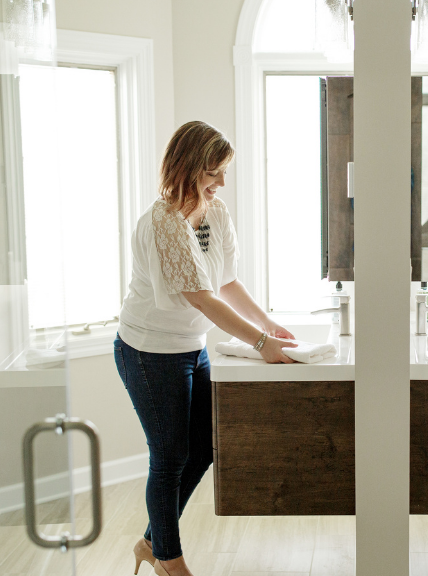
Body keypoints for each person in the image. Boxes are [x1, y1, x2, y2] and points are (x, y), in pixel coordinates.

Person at [114, 121, 297, 576]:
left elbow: (227, 282)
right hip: (148, 351)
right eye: (212, 173)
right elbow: (201, 296)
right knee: (170, 455)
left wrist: (268, 324)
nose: (219, 184)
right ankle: (170, 563)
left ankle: (150, 543)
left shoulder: (215, 214)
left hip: (191, 347)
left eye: (223, 174)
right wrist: (260, 343)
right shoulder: (162, 222)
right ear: (188, 168)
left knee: (204, 448)